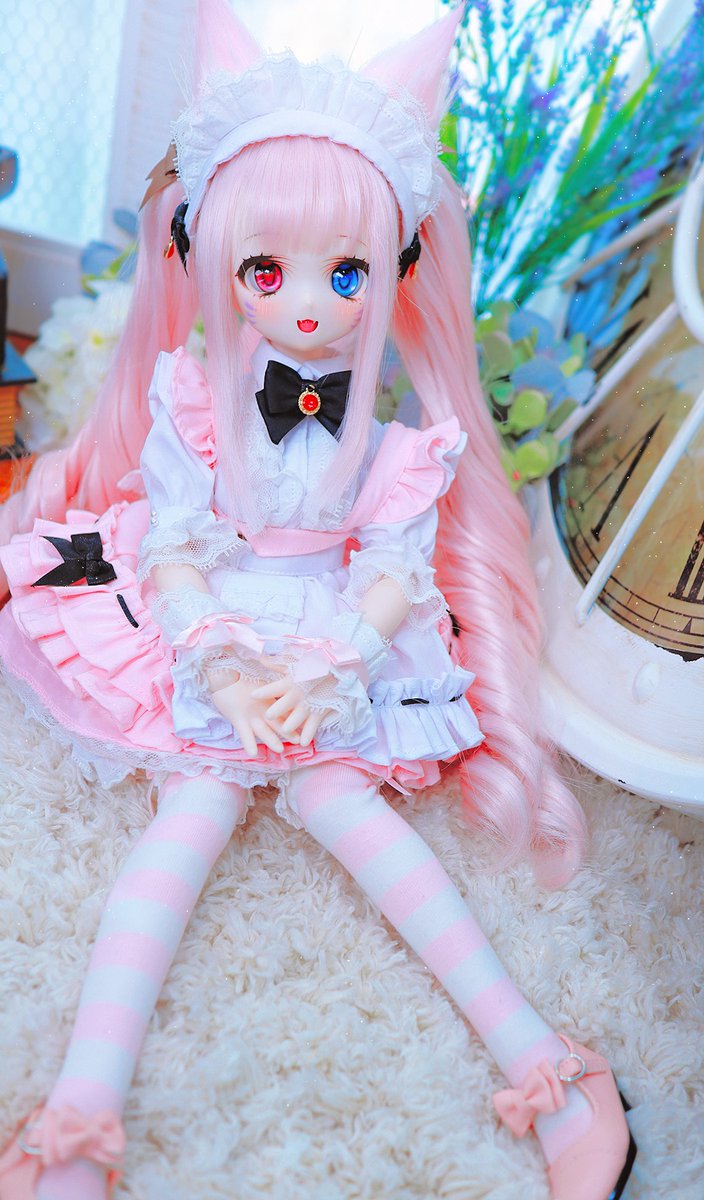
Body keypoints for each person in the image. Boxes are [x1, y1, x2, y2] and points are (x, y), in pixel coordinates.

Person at [0, 4, 635, 1198]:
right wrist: (224, 667)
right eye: (265, 269)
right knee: (182, 823)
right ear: (212, 262)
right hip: (212, 620)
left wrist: (324, 666)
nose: (306, 304)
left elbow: (393, 570)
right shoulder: (195, 402)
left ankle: (544, 1065)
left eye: (345, 272)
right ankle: (79, 1116)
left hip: (333, 629)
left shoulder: (395, 447)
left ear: (394, 271)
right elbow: (173, 549)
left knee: (354, 815)